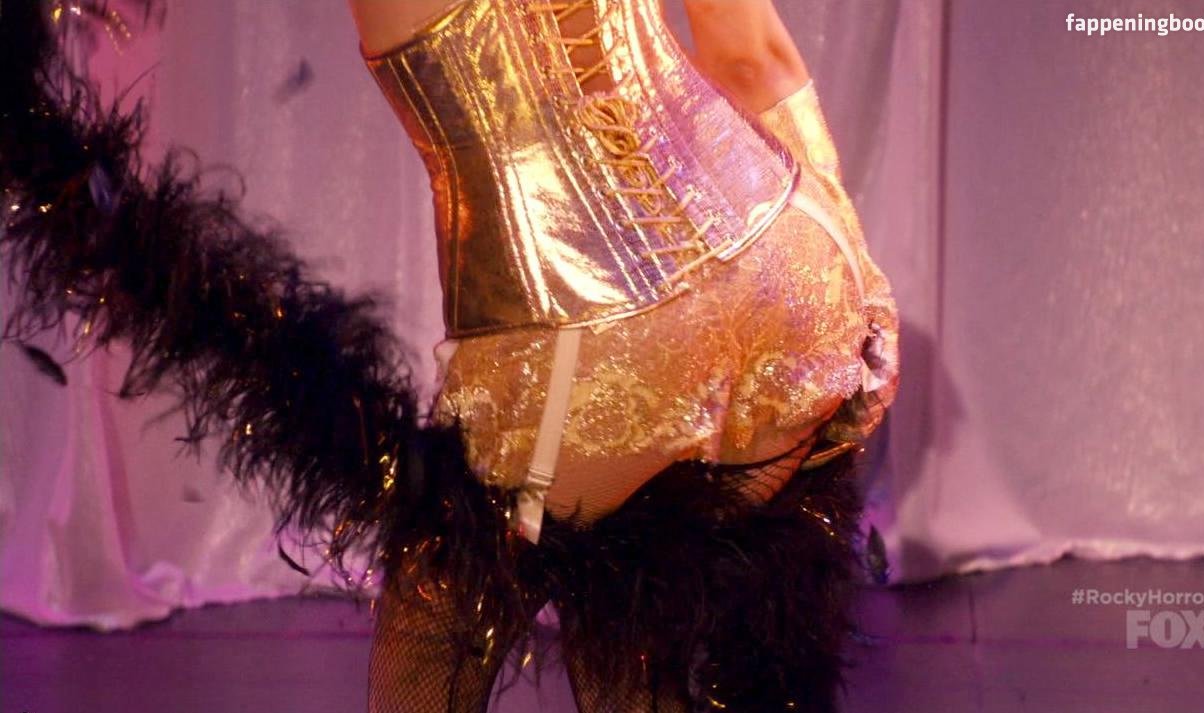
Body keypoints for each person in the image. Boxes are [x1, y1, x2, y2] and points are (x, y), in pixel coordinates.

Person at [0, 0, 898, 710]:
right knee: (634, 617)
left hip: (588, 331)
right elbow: (754, 56)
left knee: (439, 612)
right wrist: (862, 280)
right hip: (794, 265)